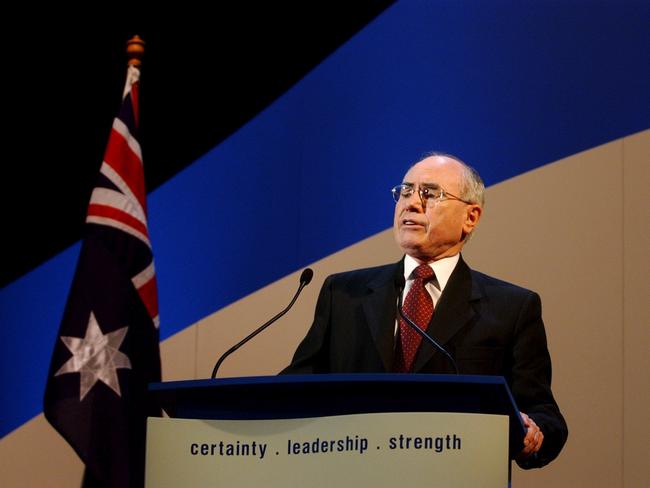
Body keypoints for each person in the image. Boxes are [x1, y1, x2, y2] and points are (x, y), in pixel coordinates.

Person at [282, 152, 568, 468]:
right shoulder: (344, 294)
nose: (411, 203)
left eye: (430, 194)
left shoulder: (512, 307)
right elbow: (296, 389)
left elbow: (542, 410)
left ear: (470, 217)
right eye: (405, 192)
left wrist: (533, 431)